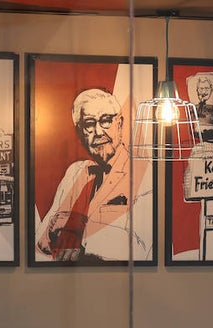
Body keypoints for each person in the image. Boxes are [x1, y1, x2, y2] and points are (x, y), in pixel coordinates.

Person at [35, 87, 152, 263]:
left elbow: (142, 247)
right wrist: (55, 228)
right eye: (89, 124)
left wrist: (78, 232)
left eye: (105, 120)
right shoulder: (75, 172)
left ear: (119, 123)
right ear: (80, 132)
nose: (98, 132)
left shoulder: (144, 173)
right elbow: (40, 243)